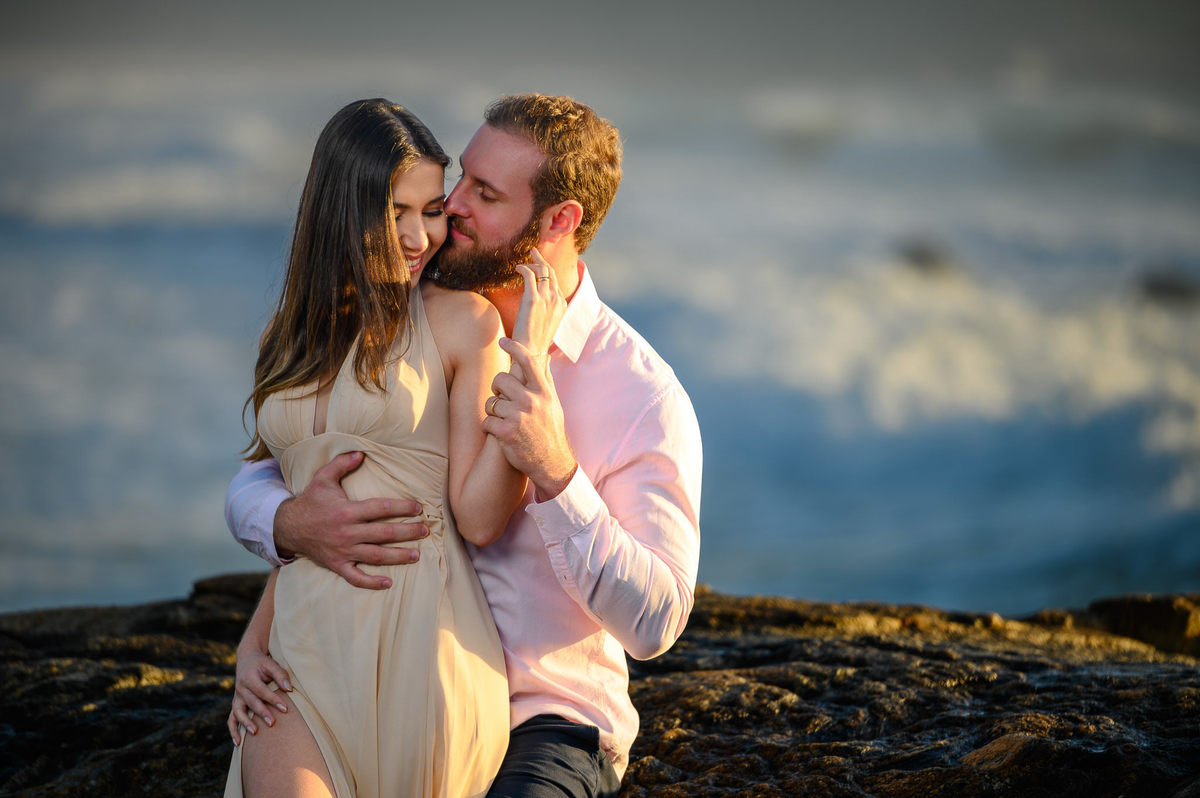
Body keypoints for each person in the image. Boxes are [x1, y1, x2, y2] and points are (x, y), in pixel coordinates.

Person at [227, 94, 703, 797]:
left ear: (559, 220)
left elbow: (657, 619)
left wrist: (553, 469)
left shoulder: (640, 394)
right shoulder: (404, 301)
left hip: (542, 712)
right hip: (332, 650)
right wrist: (282, 530)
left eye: (483, 193)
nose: (449, 210)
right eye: (458, 183)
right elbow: (276, 474)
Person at [223, 98, 558, 797]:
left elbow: (480, 517)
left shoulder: (458, 322)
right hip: (297, 663)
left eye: (432, 210)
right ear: (340, 210)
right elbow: (309, 512)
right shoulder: (283, 337)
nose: (418, 237)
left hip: (423, 651)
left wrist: (527, 353)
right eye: (395, 212)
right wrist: (251, 645)